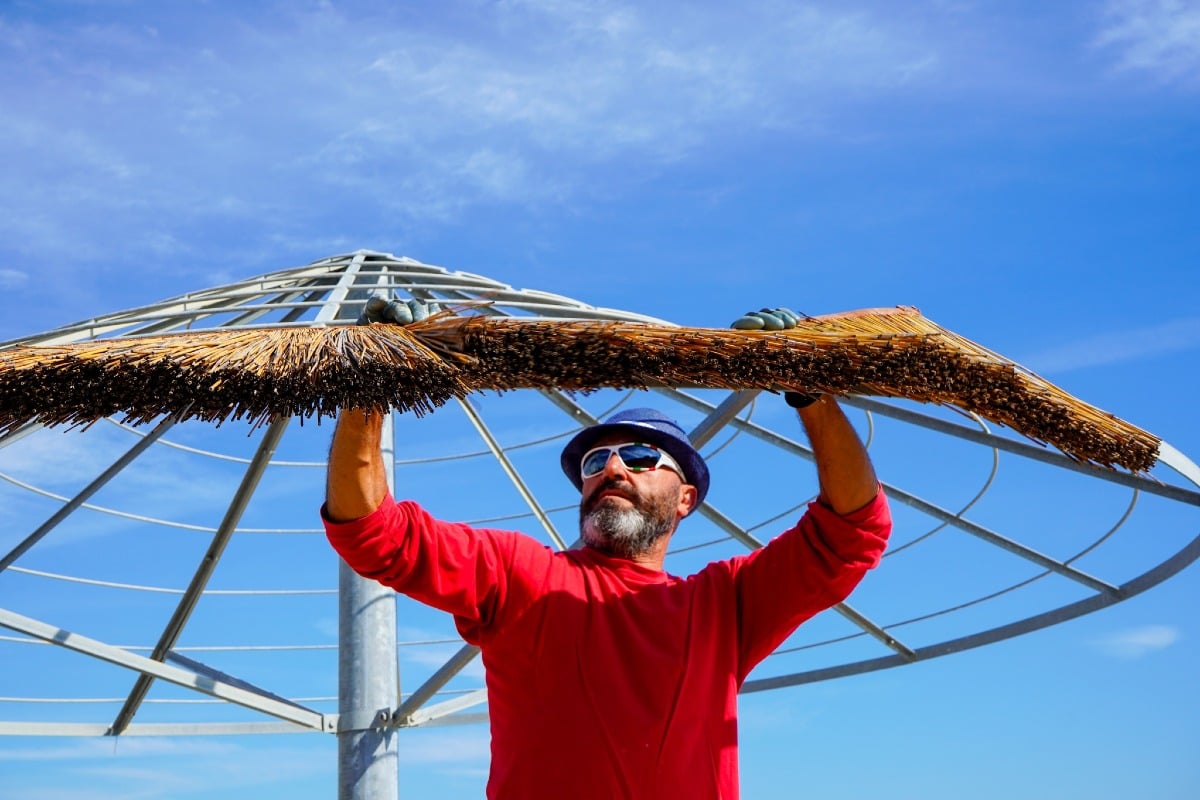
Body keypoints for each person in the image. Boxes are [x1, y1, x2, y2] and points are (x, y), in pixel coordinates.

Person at [323, 304, 892, 800]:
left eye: (642, 456)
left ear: (686, 498)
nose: (613, 468)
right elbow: (371, 530)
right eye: (597, 462)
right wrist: (369, 392)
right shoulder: (521, 574)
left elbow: (852, 530)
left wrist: (810, 395)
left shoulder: (725, 604)